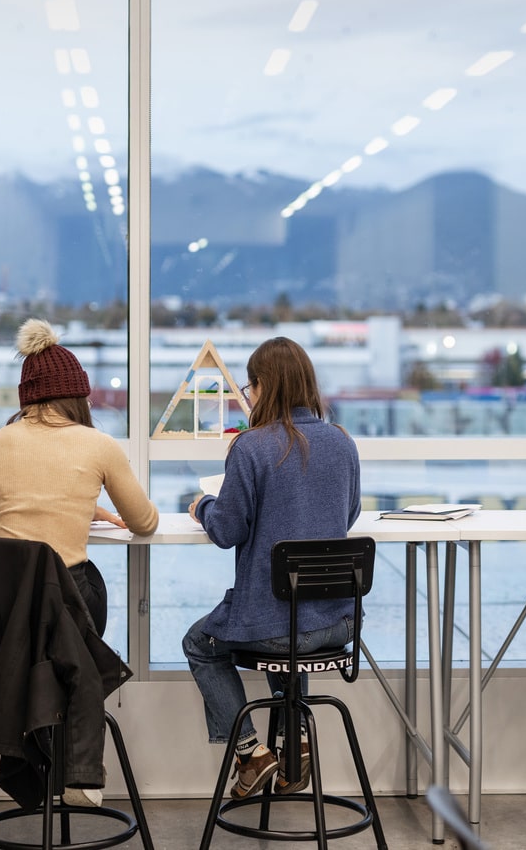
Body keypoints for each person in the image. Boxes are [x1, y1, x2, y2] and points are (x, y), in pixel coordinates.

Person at [184, 336, 361, 800]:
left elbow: (226, 530)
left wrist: (202, 505)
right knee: (291, 622)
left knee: (201, 644)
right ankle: (295, 743)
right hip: (337, 623)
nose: (248, 395)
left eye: (249, 387)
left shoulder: (251, 447)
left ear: (263, 387)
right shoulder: (342, 443)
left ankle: (252, 754)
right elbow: (349, 515)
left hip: (278, 627)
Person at [0, 317, 159, 638]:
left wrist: (84, 510)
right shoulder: (98, 443)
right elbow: (144, 524)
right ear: (77, 396)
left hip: (2, 599)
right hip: (67, 599)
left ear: (27, 396)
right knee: (91, 578)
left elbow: (1, 514)